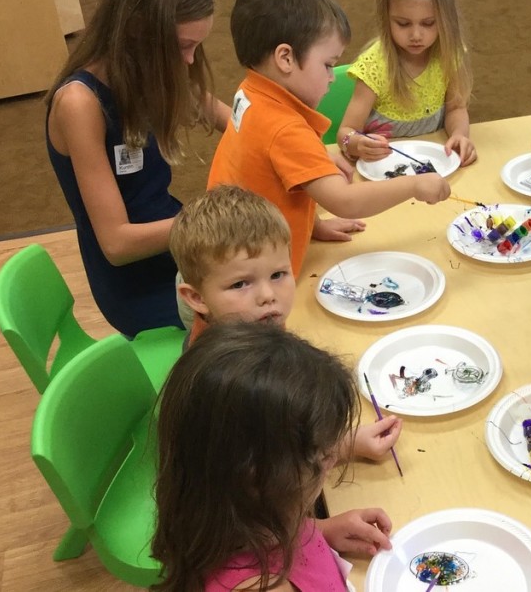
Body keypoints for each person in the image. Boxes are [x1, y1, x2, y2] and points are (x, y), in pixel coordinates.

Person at [208, 0, 450, 277]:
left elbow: (262, 175)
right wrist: (415, 184)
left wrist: (312, 224)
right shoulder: (286, 128)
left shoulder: (249, 91)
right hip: (248, 280)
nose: (331, 78)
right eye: (327, 65)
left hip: (226, 253)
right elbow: (345, 201)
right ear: (285, 59)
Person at [45, 0, 229, 338]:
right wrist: (214, 222)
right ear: (137, 31)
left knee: (274, 276)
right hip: (137, 284)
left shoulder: (151, 68)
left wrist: (295, 150)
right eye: (182, 46)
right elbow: (116, 243)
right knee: (260, 303)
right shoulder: (80, 103)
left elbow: (234, 123)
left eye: (197, 45)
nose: (190, 61)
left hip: (177, 250)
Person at [153, 322, 395, 591]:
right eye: (322, 454)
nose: (332, 458)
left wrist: (323, 531)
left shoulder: (251, 517)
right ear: (261, 476)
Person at [169, 184, 401, 460]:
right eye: (240, 284)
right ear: (196, 297)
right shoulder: (231, 384)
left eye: (278, 275)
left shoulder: (247, 329)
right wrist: (343, 447)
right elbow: (266, 466)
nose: (268, 296)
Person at [339, 0, 475, 166]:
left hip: (434, 163)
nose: (416, 36)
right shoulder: (374, 66)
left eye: (428, 23)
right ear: (386, 18)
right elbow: (345, 132)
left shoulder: (449, 55)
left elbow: (456, 108)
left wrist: (460, 134)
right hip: (384, 167)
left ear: (445, 18)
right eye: (403, 24)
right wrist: (355, 143)